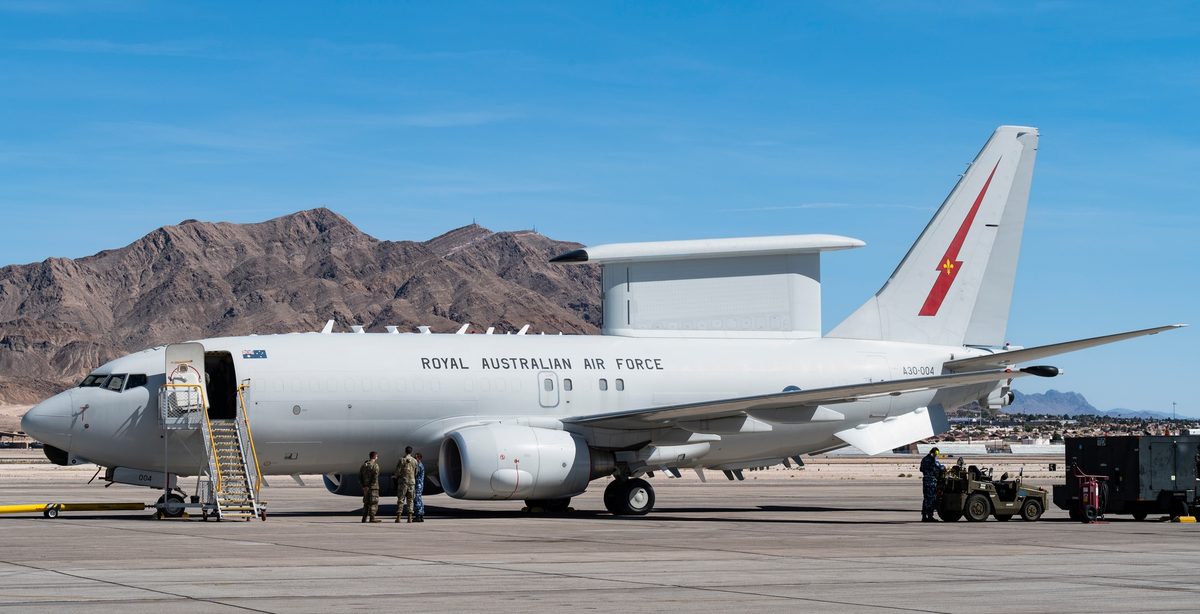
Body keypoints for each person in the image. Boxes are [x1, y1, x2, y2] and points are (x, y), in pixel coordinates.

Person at [919, 446, 944, 522]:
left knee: (926, 499)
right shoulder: (932, 460)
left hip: (925, 480)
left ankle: (924, 516)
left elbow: (921, 469)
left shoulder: (924, 459)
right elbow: (940, 467)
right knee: (932, 499)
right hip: (931, 481)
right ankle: (930, 516)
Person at [394, 446, 418, 523]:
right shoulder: (414, 461)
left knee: (401, 499)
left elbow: (397, 471)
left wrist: (396, 476)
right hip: (411, 482)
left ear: (405, 451)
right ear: (411, 452)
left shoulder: (402, 460)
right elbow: (416, 472)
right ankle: (410, 518)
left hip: (403, 482)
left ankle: (398, 517)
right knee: (410, 499)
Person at [358, 451, 381, 523]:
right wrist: (370, 485)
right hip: (373, 487)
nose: (377, 457)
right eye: (377, 456)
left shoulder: (364, 465)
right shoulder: (375, 465)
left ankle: (364, 518)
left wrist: (364, 486)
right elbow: (375, 477)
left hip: (365, 488)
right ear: (374, 457)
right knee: (373, 502)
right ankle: (372, 518)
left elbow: (360, 477)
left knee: (366, 503)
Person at [413, 452, 426, 522]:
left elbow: (415, 474)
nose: (414, 459)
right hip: (420, 484)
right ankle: (421, 515)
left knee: (417, 499)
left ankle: (418, 515)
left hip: (418, 484)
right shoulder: (421, 465)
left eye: (415, 458)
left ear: (418, 458)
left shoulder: (418, 466)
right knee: (419, 499)